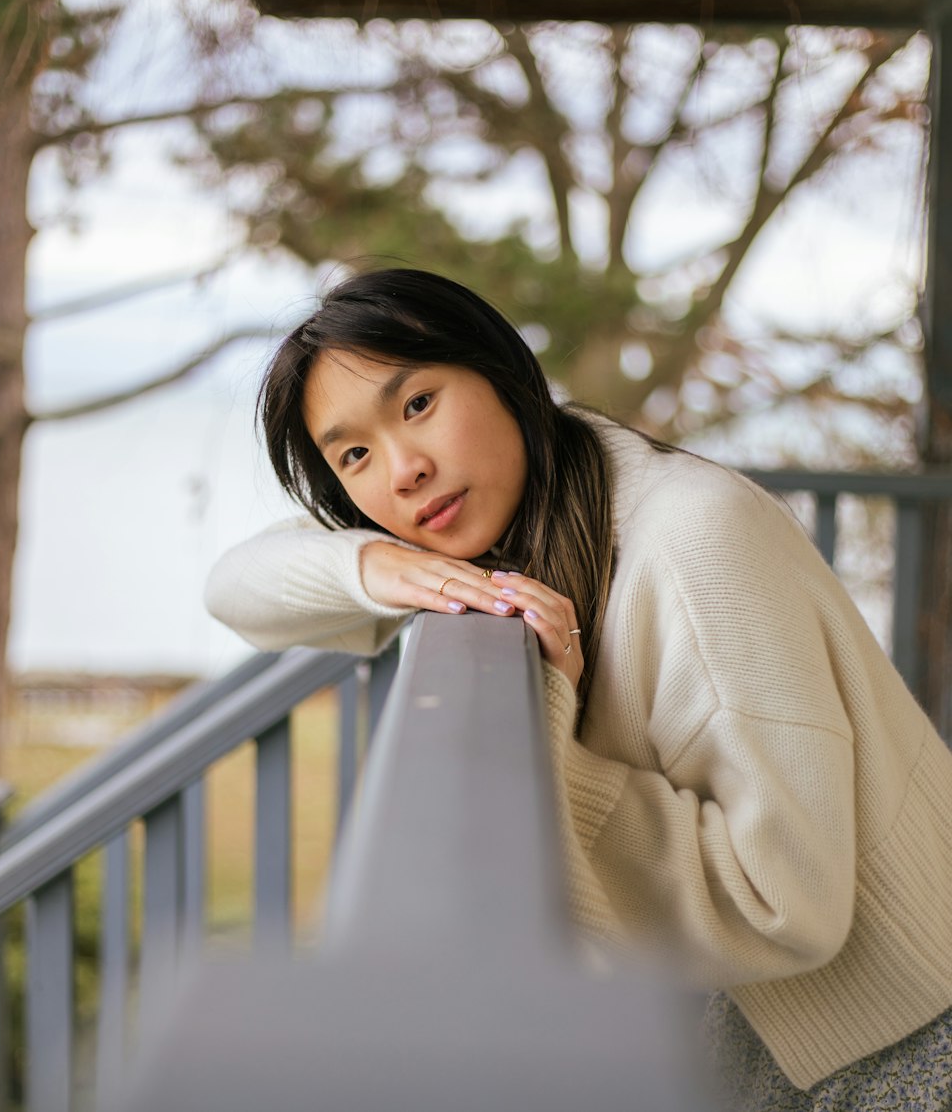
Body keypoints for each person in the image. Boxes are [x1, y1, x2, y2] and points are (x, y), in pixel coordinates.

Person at [205, 267, 952, 1109]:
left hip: (905, 1042)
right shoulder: (538, 506)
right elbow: (236, 586)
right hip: (787, 1032)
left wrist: (550, 750)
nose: (403, 471)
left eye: (417, 404)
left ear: (501, 371)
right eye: (355, 454)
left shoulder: (692, 540)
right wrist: (387, 567)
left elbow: (787, 902)